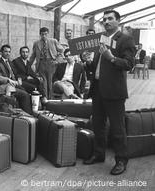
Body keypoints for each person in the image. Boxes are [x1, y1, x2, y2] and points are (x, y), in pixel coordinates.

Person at [82, 10, 136, 175]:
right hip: (98, 89)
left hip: (114, 91)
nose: (106, 21)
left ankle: (121, 160)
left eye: (110, 19)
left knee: (117, 128)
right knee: (98, 125)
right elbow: (98, 66)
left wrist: (111, 57)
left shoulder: (125, 39)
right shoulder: (103, 38)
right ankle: (99, 154)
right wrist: (88, 62)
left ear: (118, 21)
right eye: (104, 19)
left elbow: (129, 64)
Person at [0, 45, 32, 114]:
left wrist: (13, 81)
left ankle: (25, 114)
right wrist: (9, 81)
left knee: (24, 91)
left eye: (0, 54)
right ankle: (27, 115)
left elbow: (7, 75)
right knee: (24, 95)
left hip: (7, 85)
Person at [29, 27, 64, 99]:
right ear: (40, 35)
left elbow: (61, 50)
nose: (44, 36)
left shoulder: (53, 41)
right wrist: (28, 64)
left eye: (45, 34)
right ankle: (45, 98)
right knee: (44, 83)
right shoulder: (36, 43)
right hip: (41, 63)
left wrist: (57, 60)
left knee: (50, 82)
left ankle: (50, 98)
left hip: (51, 63)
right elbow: (33, 55)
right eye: (42, 34)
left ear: (48, 34)